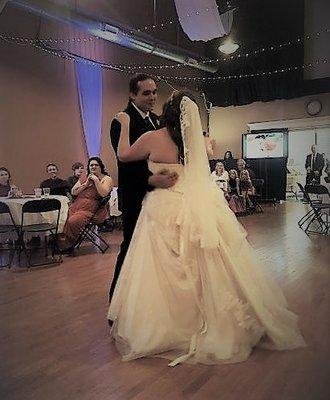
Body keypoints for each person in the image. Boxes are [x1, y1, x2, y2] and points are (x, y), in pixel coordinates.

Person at [108, 91, 305, 366]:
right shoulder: (198, 142)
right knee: (209, 262)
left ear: (167, 113)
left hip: (164, 206)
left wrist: (125, 122)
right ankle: (213, 318)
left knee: (163, 267)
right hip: (198, 203)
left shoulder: (153, 138)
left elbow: (124, 155)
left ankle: (172, 324)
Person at [108, 74, 178, 301]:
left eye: (155, 92)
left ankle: (148, 300)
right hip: (135, 194)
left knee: (155, 248)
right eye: (146, 93)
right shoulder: (122, 120)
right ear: (132, 95)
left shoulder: (157, 120)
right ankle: (117, 302)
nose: (153, 97)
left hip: (158, 198)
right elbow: (125, 162)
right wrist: (150, 179)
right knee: (131, 245)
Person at [60, 157, 112, 251]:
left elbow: (103, 193)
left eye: (96, 164)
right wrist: (86, 184)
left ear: (101, 166)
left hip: (93, 210)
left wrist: (96, 180)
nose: (93, 166)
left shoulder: (106, 178)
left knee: (73, 221)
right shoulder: (84, 177)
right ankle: (64, 241)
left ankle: (69, 243)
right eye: (91, 165)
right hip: (77, 205)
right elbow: (73, 192)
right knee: (62, 217)